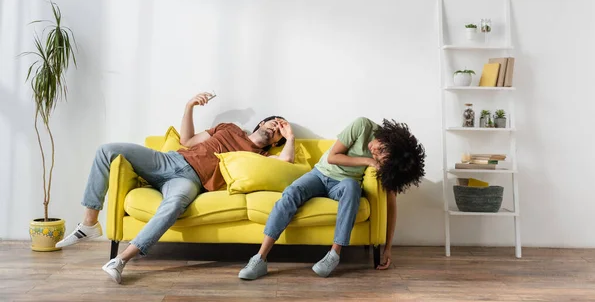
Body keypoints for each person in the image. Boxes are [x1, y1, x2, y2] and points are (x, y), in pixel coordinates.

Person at [57, 92, 295, 284]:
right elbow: (187, 142)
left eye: (278, 133)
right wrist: (189, 105)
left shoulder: (262, 157)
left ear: (276, 143)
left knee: (174, 206)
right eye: (274, 123)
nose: (275, 129)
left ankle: (120, 261)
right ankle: (89, 224)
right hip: (169, 160)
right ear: (262, 122)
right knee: (106, 150)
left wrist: (290, 135)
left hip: (190, 181)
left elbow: (286, 163)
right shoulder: (229, 128)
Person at [238, 117, 425, 280]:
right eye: (380, 148)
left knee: (352, 187)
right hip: (319, 174)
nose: (373, 151)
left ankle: (334, 255)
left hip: (343, 184)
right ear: (389, 138)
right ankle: (259, 259)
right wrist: (368, 161)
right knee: (292, 192)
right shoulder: (362, 126)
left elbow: (391, 204)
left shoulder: (387, 162)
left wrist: (388, 248)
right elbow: (333, 158)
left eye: (379, 157)